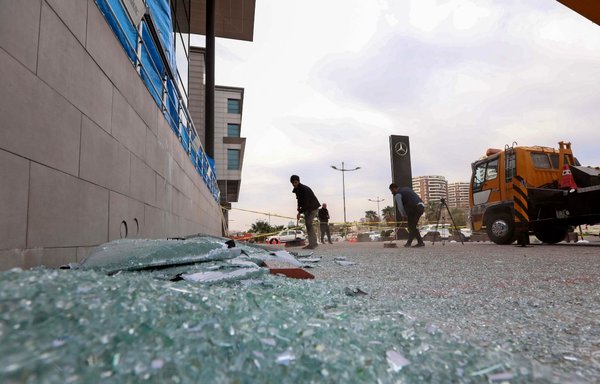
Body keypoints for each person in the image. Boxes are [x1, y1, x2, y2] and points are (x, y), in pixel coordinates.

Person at [389, 183, 425, 247]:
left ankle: (416, 243)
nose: (392, 193)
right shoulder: (407, 189)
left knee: (411, 226)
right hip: (421, 206)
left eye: (391, 191)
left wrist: (403, 215)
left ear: (394, 189)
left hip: (414, 208)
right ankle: (413, 243)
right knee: (412, 226)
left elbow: (400, 206)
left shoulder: (398, 194)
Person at [291, 175, 321, 249]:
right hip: (307, 208)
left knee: (308, 223)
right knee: (308, 224)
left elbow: (306, 203)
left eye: (295, 182)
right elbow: (299, 200)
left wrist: (299, 213)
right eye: (292, 183)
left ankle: (313, 243)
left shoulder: (304, 189)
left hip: (313, 208)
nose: (294, 184)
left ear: (298, 181)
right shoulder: (296, 189)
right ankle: (311, 243)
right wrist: (298, 207)